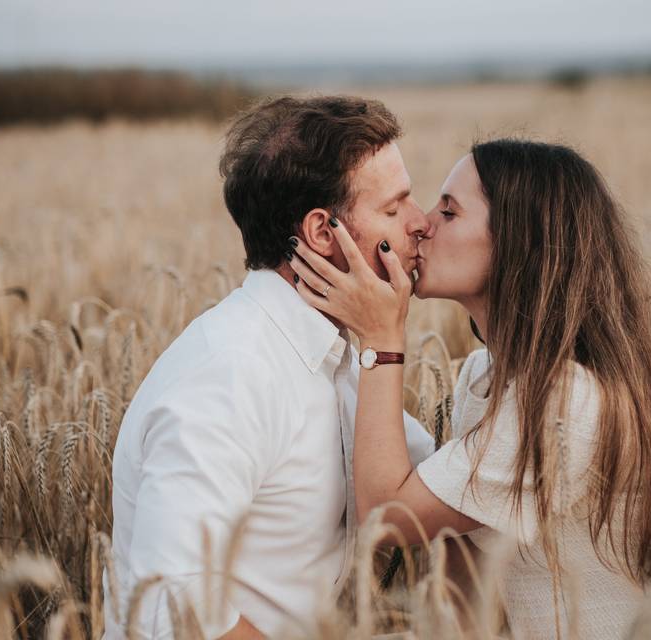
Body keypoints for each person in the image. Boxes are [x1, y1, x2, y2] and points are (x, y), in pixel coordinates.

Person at [287, 139, 651, 639]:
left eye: (449, 212)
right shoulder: (486, 377)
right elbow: (462, 563)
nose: (423, 223)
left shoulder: (564, 400)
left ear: (518, 242)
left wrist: (382, 341)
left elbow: (387, 516)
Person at [104, 95, 436, 639]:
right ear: (322, 233)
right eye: (395, 208)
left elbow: (432, 487)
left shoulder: (335, 362)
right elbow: (172, 615)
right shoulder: (228, 374)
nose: (421, 222)